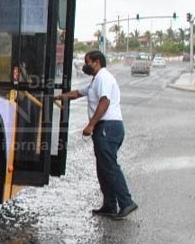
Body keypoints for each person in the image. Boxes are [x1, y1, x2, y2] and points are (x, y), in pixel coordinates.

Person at [56, 51, 137, 219]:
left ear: (97, 62)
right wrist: (57, 97)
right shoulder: (96, 80)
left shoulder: (103, 77)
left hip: (108, 127)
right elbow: (78, 93)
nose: (85, 65)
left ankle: (126, 202)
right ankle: (109, 205)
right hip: (107, 127)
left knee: (109, 167)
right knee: (103, 168)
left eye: (88, 62)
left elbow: (105, 101)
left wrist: (91, 124)